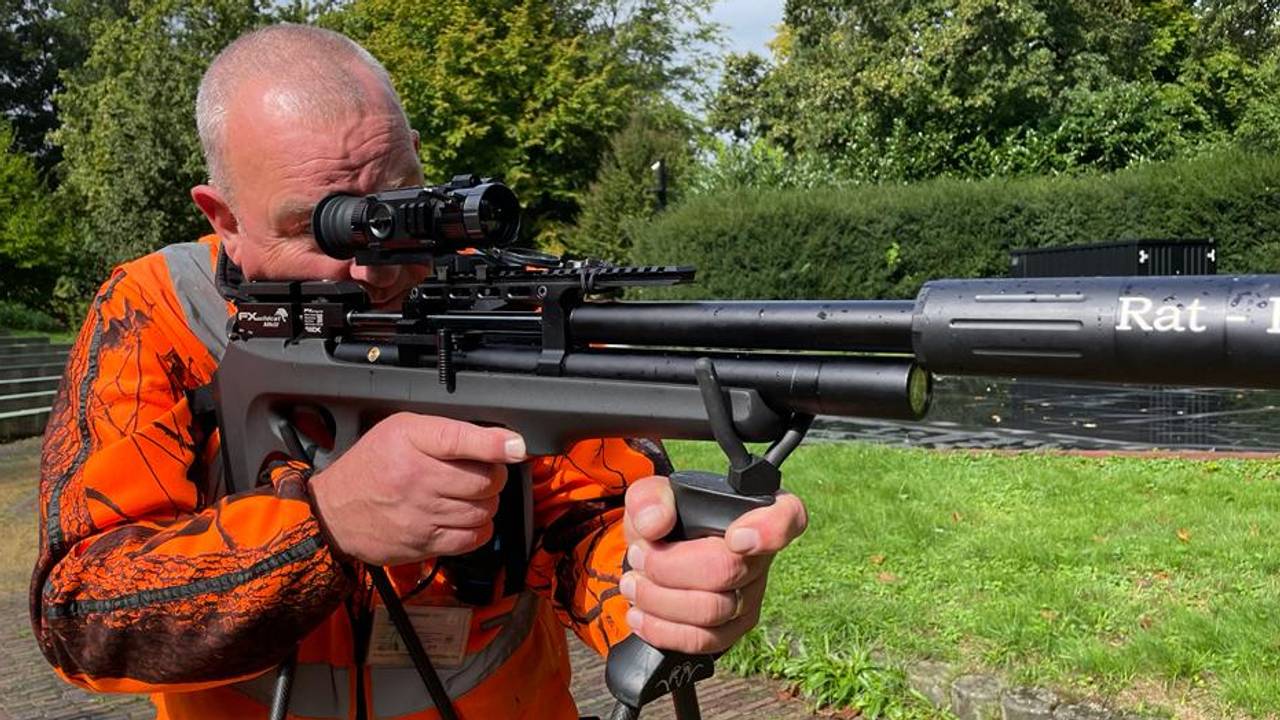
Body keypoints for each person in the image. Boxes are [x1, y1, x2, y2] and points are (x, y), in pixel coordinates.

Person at [31, 23, 807, 720]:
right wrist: (325, 526)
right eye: (324, 229)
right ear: (225, 220)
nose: (377, 269)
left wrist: (661, 586)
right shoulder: (157, 314)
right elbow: (79, 614)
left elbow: (593, 517)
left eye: (397, 202)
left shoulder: (503, 297)